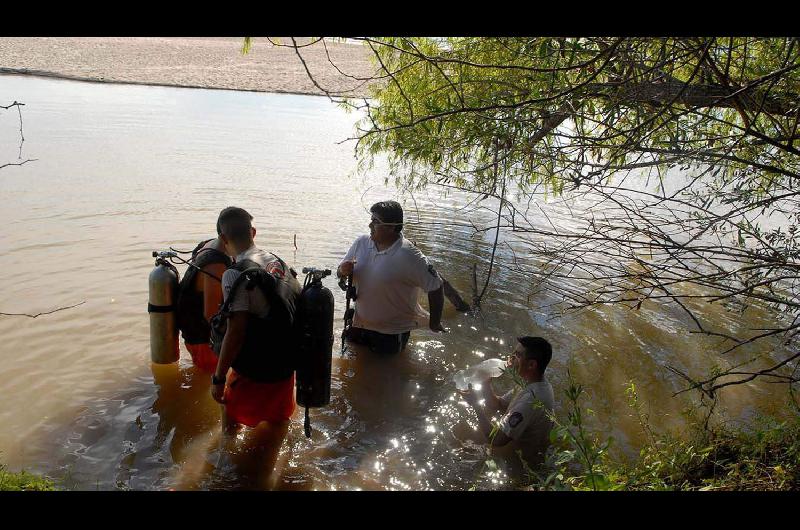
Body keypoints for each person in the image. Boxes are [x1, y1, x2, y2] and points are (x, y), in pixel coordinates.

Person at [209, 207, 301, 434]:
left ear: (223, 238)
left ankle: (225, 468)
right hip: (285, 367)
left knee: (230, 425)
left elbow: (236, 331)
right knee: (278, 425)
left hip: (256, 371)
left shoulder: (234, 274)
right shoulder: (275, 260)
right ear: (254, 232)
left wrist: (219, 378)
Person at [337, 200, 445, 355]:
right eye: (371, 220)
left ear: (391, 227)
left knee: (386, 374)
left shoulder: (410, 255)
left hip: (391, 334)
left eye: (375, 221)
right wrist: (342, 270)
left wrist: (434, 323)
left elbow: (436, 286)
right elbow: (339, 275)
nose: (370, 225)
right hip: (357, 325)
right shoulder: (361, 243)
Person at [459, 336, 555, 470]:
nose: (511, 358)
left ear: (531, 365)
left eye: (518, 355)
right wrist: (486, 381)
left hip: (524, 462)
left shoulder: (532, 399)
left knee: (462, 446)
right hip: (520, 445)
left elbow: (497, 440)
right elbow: (498, 405)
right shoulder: (531, 382)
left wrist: (475, 405)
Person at [175, 224, 232, 373]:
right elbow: (211, 316)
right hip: (203, 340)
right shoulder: (216, 265)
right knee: (207, 382)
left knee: (202, 377)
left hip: (192, 331)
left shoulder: (209, 245)